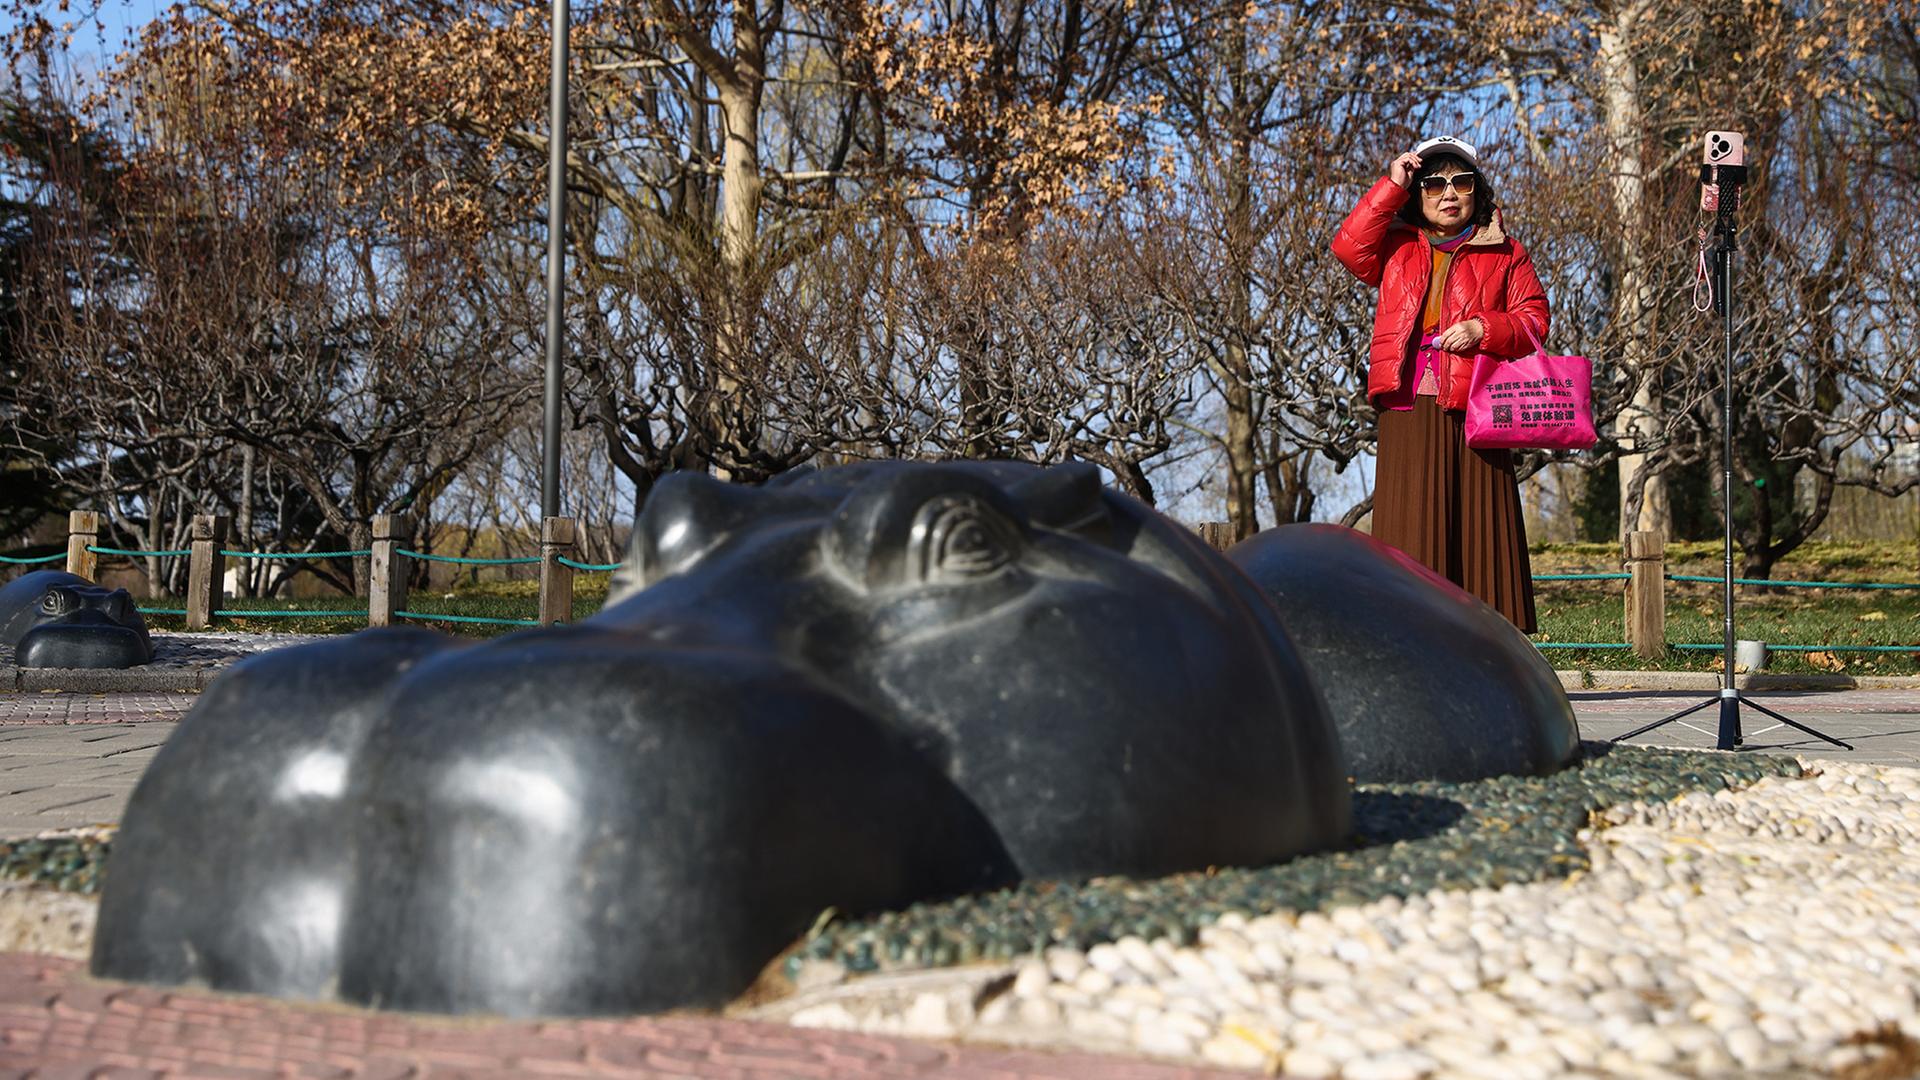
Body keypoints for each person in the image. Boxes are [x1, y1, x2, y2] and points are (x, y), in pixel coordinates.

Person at [1329, 135, 1548, 633]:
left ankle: (1493, 645)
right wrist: (1392, 183)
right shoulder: (1397, 245)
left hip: (1479, 403)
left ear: (1478, 190)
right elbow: (1348, 246)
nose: (1448, 193)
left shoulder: (1506, 250)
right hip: (1408, 402)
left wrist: (1483, 328)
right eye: (1433, 184)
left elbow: (1535, 318)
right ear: (1418, 194)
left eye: (1461, 181)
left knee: (1483, 531)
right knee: (1411, 526)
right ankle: (1413, 642)